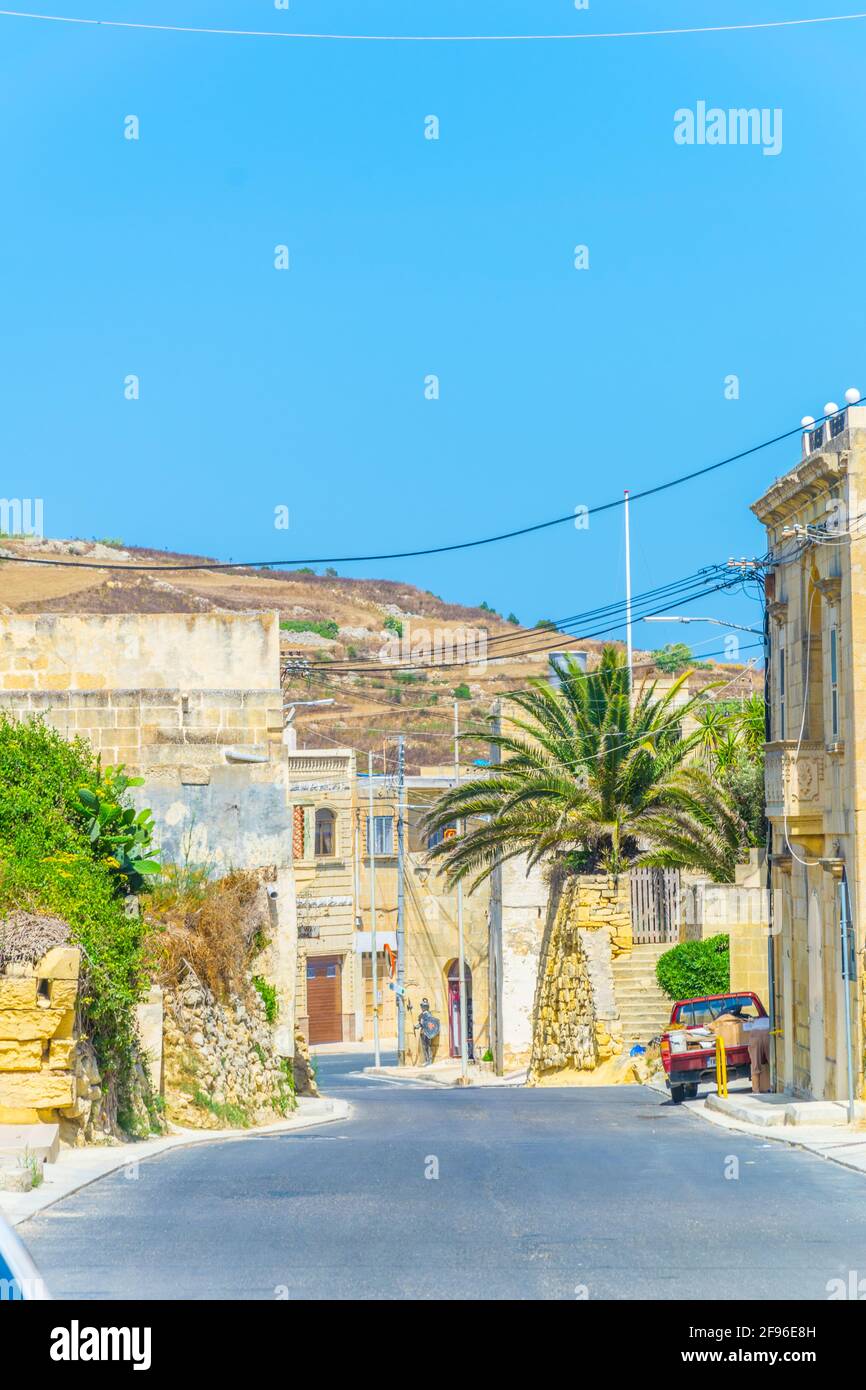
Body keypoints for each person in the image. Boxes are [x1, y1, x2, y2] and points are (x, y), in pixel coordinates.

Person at [415, 997, 440, 1066]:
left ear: (427, 1007)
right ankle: (426, 1060)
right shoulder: (421, 1015)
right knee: (424, 1047)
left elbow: (430, 1023)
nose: (423, 1007)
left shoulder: (428, 1015)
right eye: (422, 1006)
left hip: (427, 1033)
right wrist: (416, 1027)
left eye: (425, 1006)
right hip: (423, 1032)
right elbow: (421, 1024)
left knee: (428, 1046)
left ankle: (429, 1060)